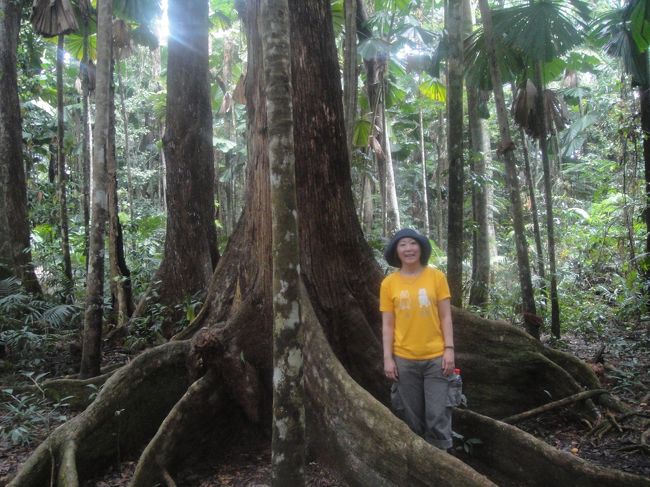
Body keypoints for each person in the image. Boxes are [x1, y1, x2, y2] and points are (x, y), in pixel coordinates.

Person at [380, 228, 457, 450]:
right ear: (396, 251)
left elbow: (445, 316)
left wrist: (449, 349)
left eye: (413, 243)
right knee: (412, 419)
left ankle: (442, 464)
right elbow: (387, 324)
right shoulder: (389, 283)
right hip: (404, 360)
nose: (408, 249)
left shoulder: (436, 277)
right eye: (402, 244)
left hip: (437, 359)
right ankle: (419, 466)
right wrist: (388, 358)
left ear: (421, 248)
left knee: (438, 416)